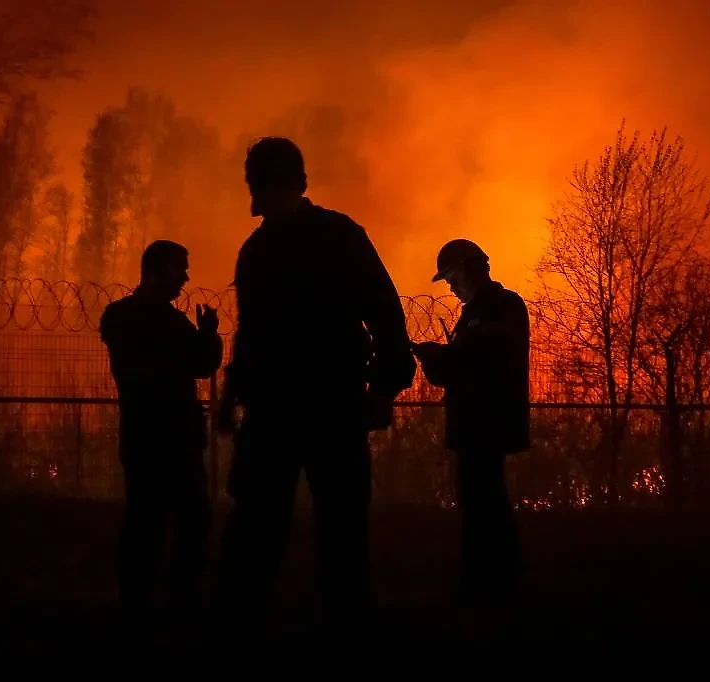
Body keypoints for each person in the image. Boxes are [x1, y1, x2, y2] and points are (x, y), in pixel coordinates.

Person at [214, 137, 416, 625]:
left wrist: (385, 385)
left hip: (304, 406)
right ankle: (322, 620)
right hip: (318, 405)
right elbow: (382, 314)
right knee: (320, 523)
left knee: (289, 523)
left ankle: (252, 620)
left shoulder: (273, 247)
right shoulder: (322, 238)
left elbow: (384, 315)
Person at [99, 240, 223, 620]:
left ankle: (139, 601)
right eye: (180, 268)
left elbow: (198, 363)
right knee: (183, 519)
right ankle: (176, 599)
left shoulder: (121, 316)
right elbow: (201, 364)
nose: (186, 277)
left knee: (150, 520)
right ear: (159, 269)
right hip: (170, 437)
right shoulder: (163, 321)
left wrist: (204, 336)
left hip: (146, 436)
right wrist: (205, 336)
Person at [412, 238, 530, 607]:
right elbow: (463, 365)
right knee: (480, 501)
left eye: (450, 276)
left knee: (486, 503)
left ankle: (489, 583)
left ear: (468, 269)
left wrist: (446, 356)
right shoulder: (480, 311)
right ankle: (490, 581)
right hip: (473, 422)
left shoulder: (504, 306)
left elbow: (486, 357)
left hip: (488, 421)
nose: (448, 285)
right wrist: (437, 359)